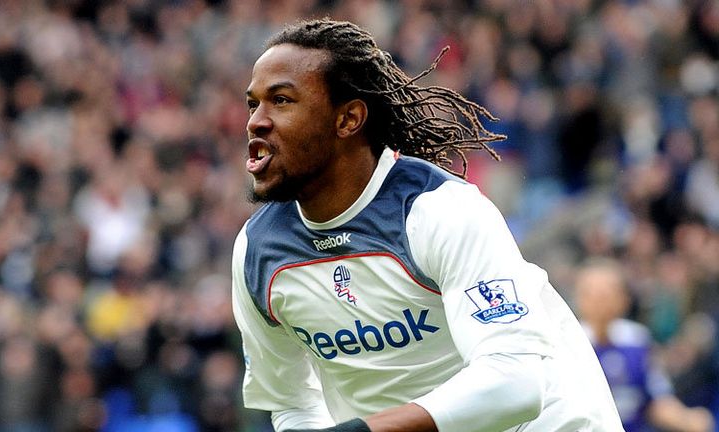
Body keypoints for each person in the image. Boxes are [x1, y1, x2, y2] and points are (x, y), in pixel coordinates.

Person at [231, 18, 624, 432]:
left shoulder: (440, 212)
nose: (256, 121)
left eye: (282, 101)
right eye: (253, 104)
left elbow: (516, 384)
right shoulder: (258, 252)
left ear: (348, 120)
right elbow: (290, 403)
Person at [574, 259, 715, 432]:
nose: (600, 301)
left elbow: (656, 398)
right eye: (592, 294)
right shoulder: (568, 345)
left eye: (607, 293)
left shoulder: (637, 340)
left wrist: (687, 419)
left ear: (624, 299)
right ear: (579, 299)